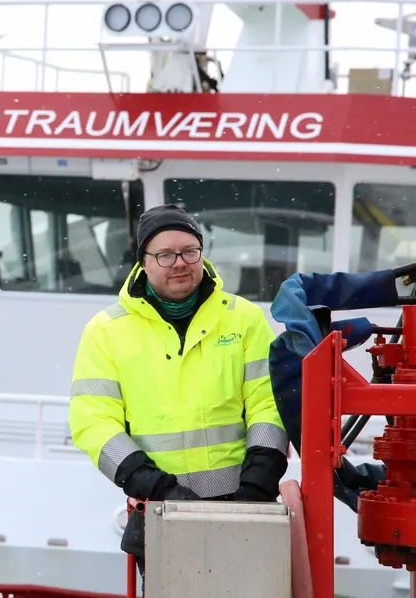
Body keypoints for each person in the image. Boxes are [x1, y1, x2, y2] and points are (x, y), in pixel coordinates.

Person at [67, 204, 289, 586]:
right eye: (165, 255)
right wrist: (156, 486)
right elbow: (92, 422)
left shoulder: (246, 318)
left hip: (246, 508)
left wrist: (256, 484)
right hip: (158, 511)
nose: (180, 263)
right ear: (144, 263)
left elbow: (268, 403)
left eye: (190, 251)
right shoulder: (105, 331)